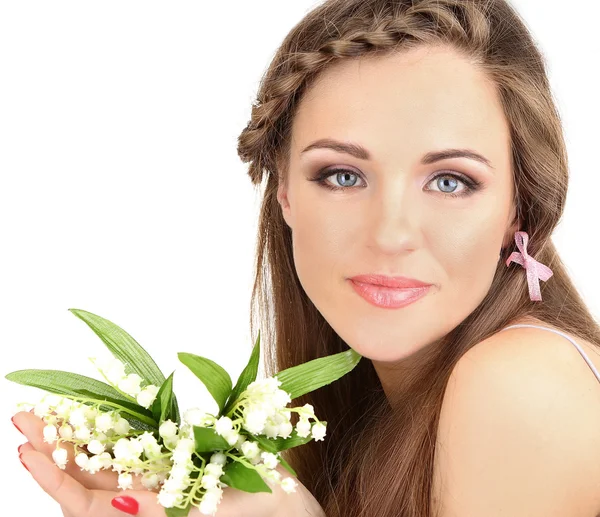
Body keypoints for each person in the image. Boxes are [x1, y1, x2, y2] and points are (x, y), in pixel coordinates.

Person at [11, 0, 600, 515]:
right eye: (343, 175)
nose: (391, 233)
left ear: (519, 210)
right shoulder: (362, 420)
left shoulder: (522, 382)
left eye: (450, 182)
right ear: (285, 191)